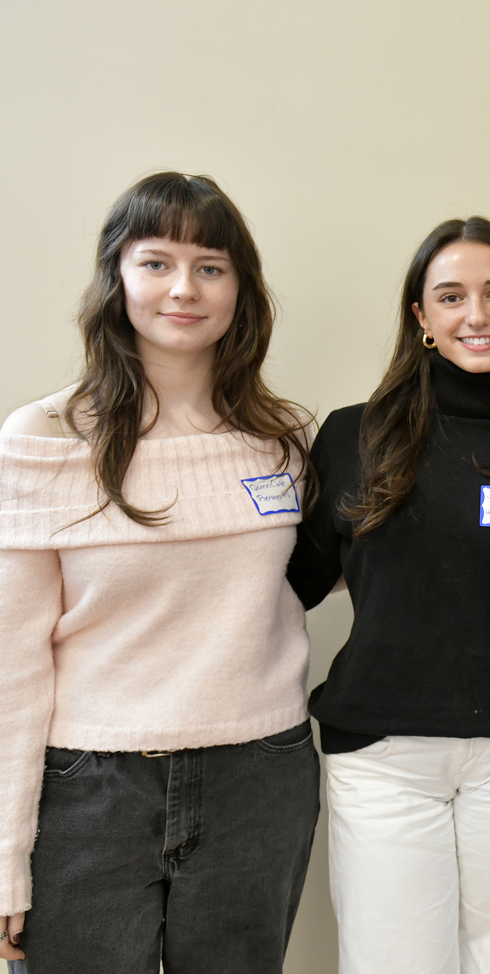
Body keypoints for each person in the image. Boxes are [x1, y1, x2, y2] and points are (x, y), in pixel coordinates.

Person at [0, 172, 319, 973]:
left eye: (211, 267)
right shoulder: (43, 435)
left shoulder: (286, 439)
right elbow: (11, 665)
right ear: (117, 277)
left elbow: (328, 573)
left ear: (240, 290)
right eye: (157, 263)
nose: (184, 289)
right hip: (88, 793)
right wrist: (6, 854)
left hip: (261, 776)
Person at [286, 216, 490, 974]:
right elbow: (296, 581)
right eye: (452, 296)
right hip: (383, 752)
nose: (478, 314)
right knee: (392, 961)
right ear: (422, 318)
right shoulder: (352, 436)